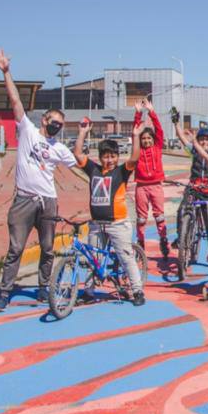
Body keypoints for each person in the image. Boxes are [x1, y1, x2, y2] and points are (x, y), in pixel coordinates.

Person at [0, 49, 80, 313]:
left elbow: (81, 166)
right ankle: (5, 292)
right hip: (24, 199)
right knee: (15, 248)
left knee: (48, 248)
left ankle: (43, 287)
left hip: (48, 202)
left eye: (60, 125)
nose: (56, 127)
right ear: (44, 120)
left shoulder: (59, 148)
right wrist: (6, 72)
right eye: (54, 122)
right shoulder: (28, 131)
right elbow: (15, 100)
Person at [74, 119, 147, 306]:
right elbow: (77, 154)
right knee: (94, 259)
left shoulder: (122, 172)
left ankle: (137, 290)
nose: (110, 160)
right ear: (100, 158)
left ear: (117, 156)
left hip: (118, 223)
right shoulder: (94, 171)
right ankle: (89, 291)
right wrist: (82, 132)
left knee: (125, 257)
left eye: (113, 156)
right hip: (97, 224)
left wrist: (136, 136)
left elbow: (134, 158)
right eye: (106, 156)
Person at [172, 119, 208, 248]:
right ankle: (180, 237)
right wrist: (176, 122)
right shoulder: (194, 152)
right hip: (193, 189)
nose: (204, 142)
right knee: (182, 210)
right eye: (201, 139)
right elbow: (182, 138)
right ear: (197, 141)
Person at [132, 99, 169, 257]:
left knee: (159, 216)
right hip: (141, 186)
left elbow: (159, 130)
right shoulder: (137, 150)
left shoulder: (157, 147)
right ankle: (140, 243)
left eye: (149, 138)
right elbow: (135, 131)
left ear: (153, 139)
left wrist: (151, 112)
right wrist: (138, 113)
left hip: (156, 186)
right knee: (141, 218)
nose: (146, 141)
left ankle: (163, 240)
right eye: (143, 138)